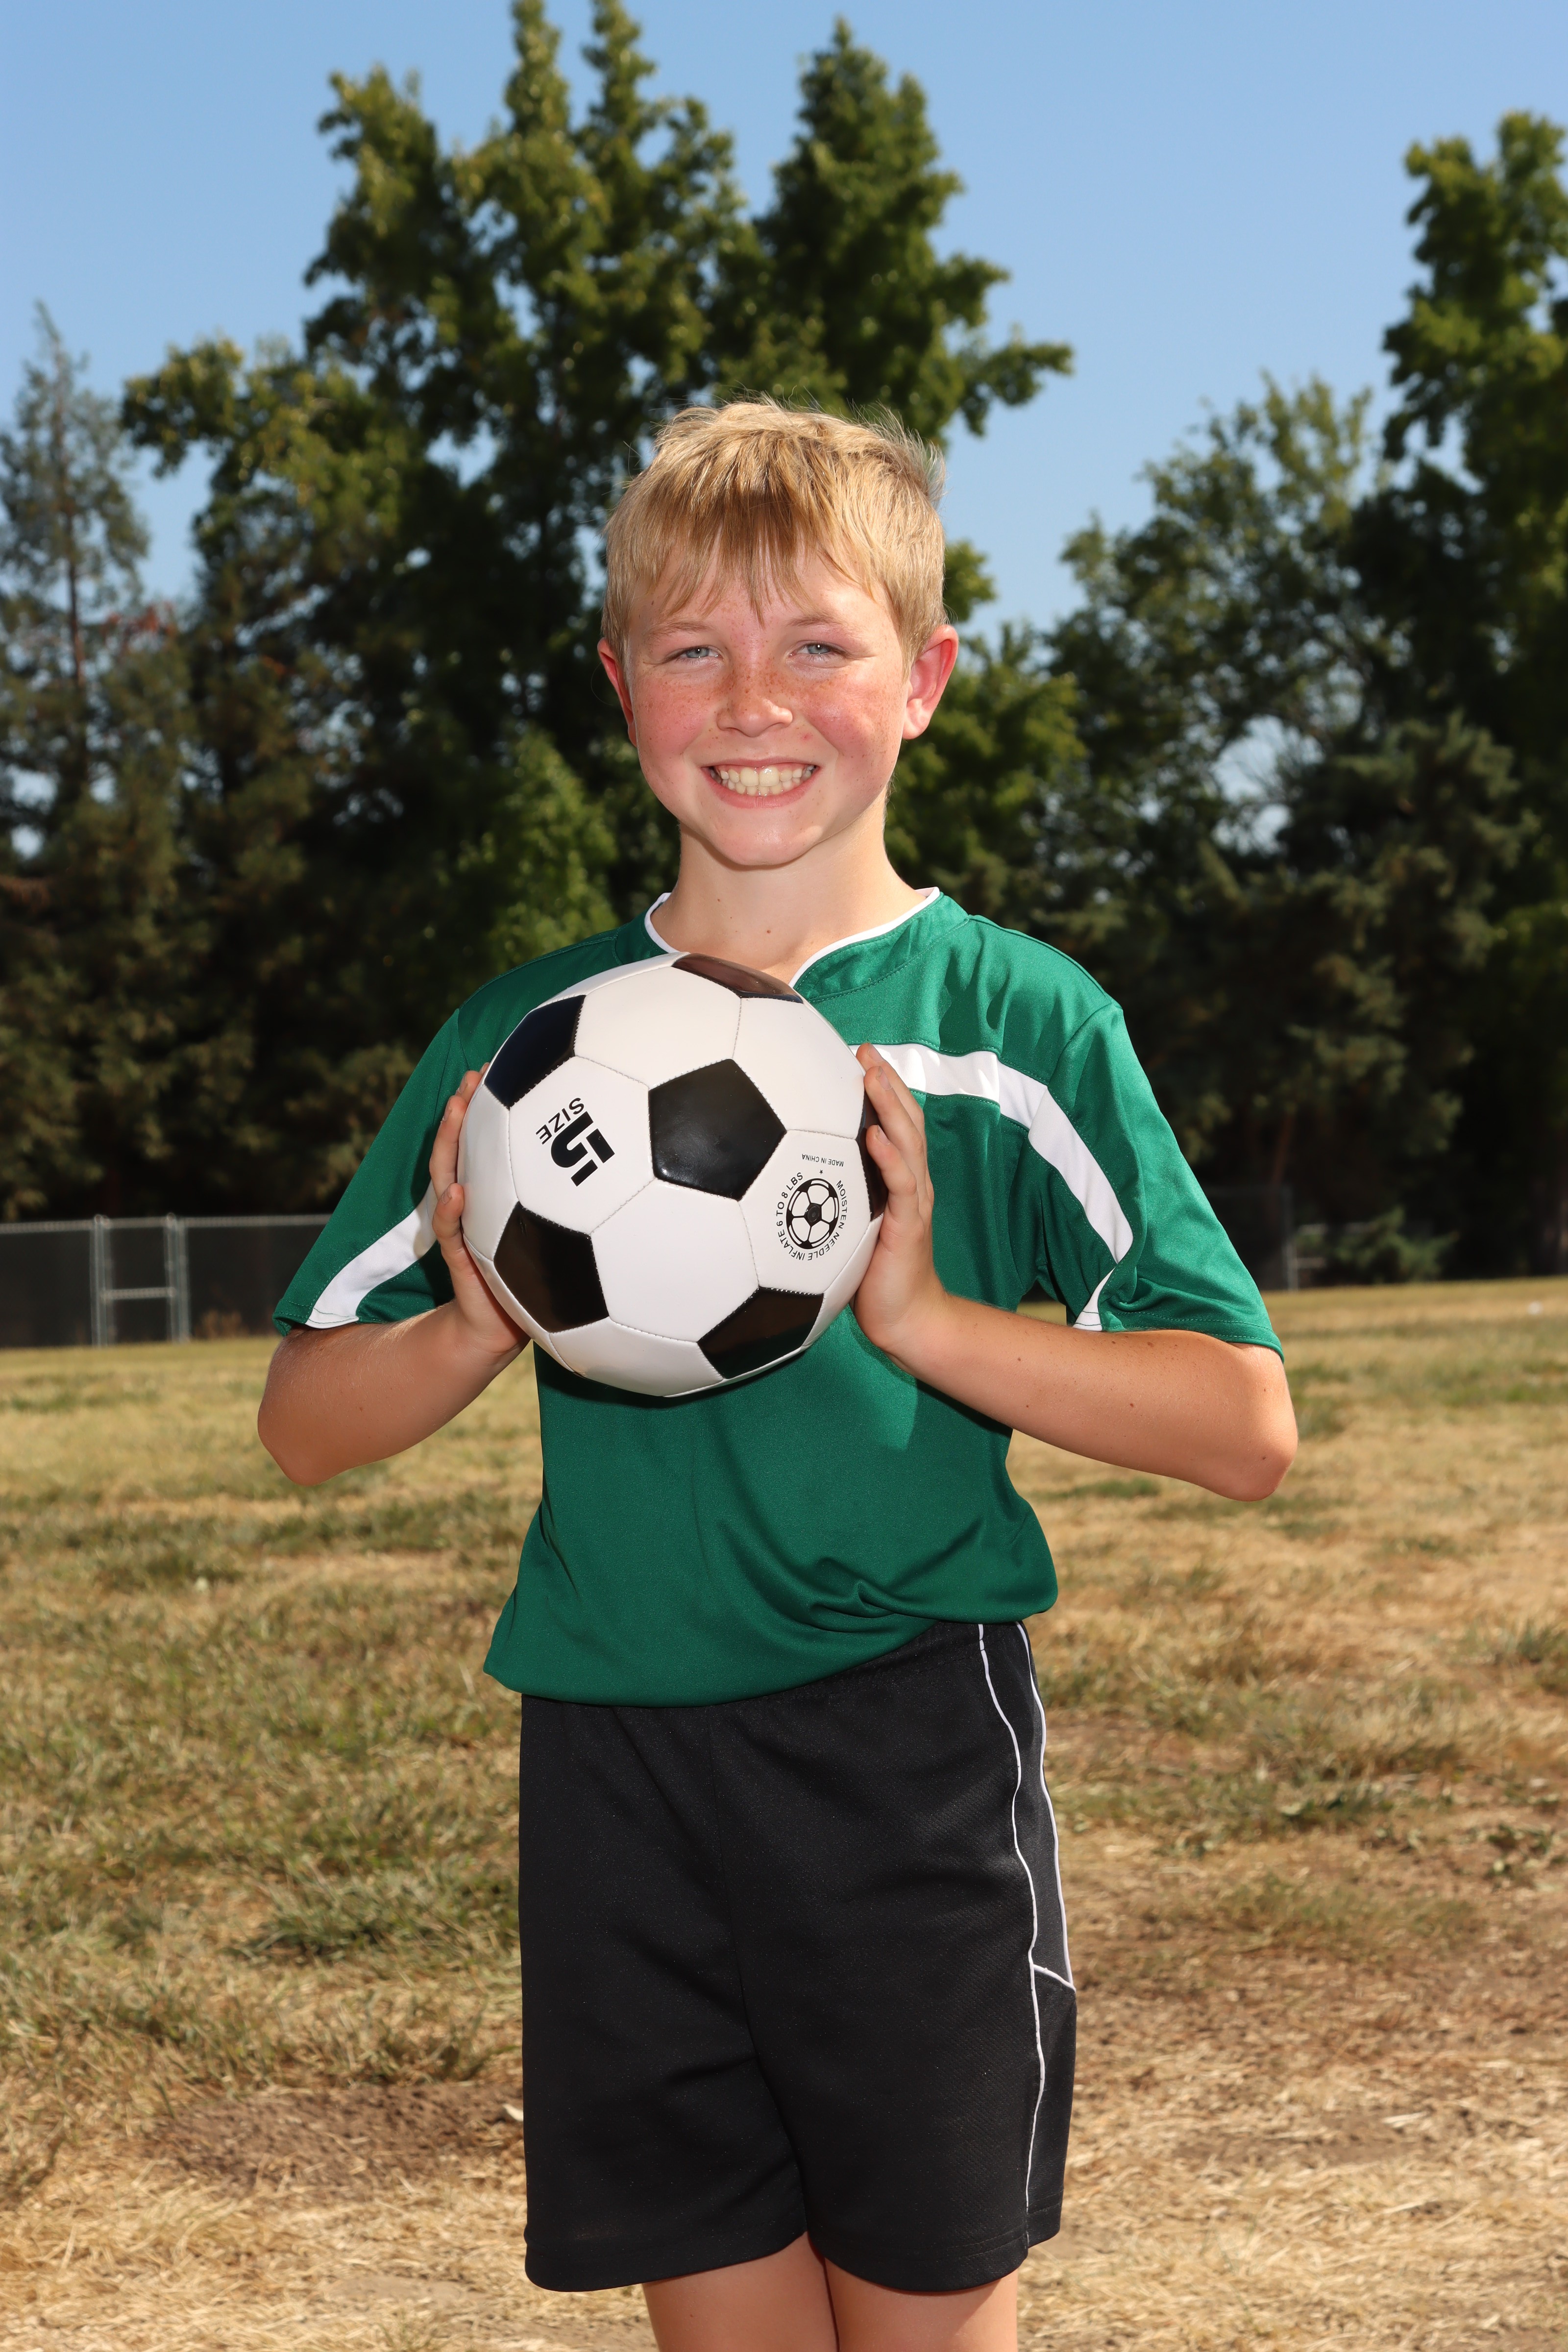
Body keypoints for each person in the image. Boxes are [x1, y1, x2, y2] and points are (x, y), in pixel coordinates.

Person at [260, 401, 1297, 2352]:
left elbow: (1242, 1425)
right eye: (692, 649)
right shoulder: (527, 1045)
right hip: (615, 1763)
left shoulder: (1012, 1025)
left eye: (817, 644)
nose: (753, 701)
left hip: (902, 1766)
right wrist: (477, 1319)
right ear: (618, 685)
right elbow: (303, 1426)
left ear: (924, 681)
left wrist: (926, 1320)